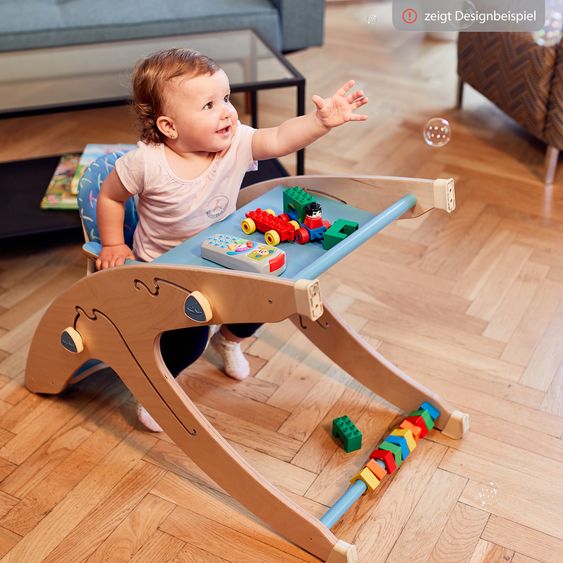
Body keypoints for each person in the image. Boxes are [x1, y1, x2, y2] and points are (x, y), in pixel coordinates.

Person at [96, 48, 368, 431]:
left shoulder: (235, 142)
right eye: (209, 105)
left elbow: (279, 139)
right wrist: (113, 244)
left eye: (225, 98)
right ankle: (156, 388)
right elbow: (110, 196)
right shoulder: (146, 164)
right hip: (167, 270)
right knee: (187, 342)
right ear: (169, 126)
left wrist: (321, 122)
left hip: (223, 255)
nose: (227, 110)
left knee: (265, 297)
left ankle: (227, 340)